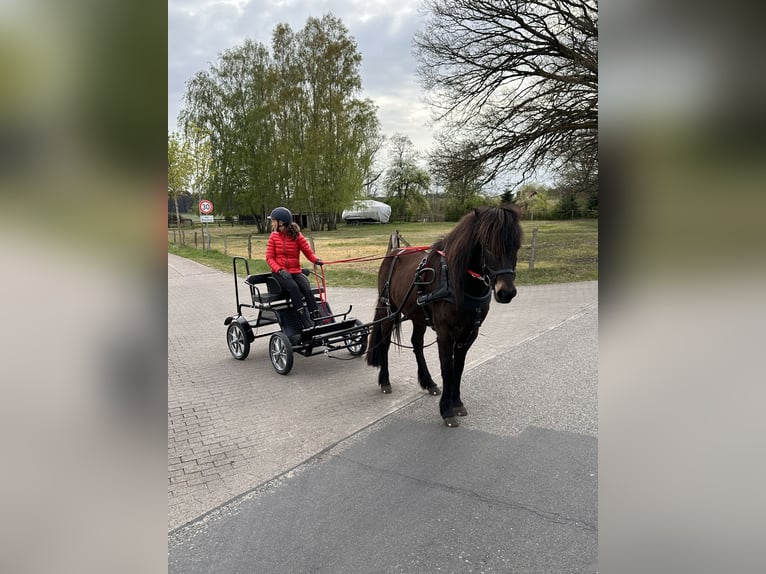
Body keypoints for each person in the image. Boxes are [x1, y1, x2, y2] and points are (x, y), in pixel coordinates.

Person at [265, 207, 324, 330]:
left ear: (280, 222)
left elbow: (308, 252)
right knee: (294, 288)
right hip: (279, 273)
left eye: (273, 221)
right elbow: (269, 258)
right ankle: (304, 320)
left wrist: (316, 260)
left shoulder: (297, 236)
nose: (272, 223)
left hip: (295, 271)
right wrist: (280, 270)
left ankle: (316, 317)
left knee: (307, 289)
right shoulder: (273, 237)